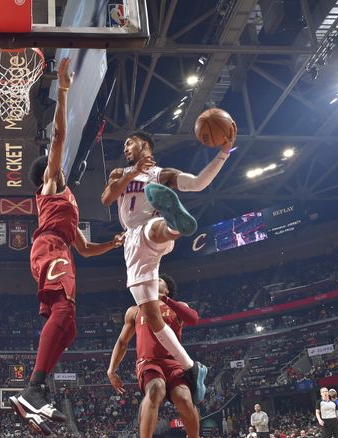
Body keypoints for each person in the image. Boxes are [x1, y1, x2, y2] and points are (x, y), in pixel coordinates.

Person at [8, 57, 124, 436]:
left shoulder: (67, 203)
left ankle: (37, 392)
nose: (58, 165)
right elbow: (58, 138)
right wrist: (62, 89)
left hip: (62, 250)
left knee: (69, 326)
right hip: (50, 249)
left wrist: (114, 243)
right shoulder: (51, 185)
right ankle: (33, 386)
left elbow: (86, 248)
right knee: (62, 310)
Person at [100, 127, 236, 404]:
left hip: (148, 230)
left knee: (153, 228)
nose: (125, 148)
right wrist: (131, 171)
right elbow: (107, 198)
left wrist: (223, 152)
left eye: (130, 142)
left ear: (146, 145)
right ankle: (191, 367)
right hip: (133, 245)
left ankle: (174, 225)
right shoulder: (119, 173)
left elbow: (198, 183)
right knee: (152, 316)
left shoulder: (160, 174)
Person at [107, 274, 217, 438]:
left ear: (167, 290)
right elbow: (122, 342)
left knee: (184, 399)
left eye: (159, 281)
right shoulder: (135, 310)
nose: (153, 281)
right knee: (156, 388)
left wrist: (164, 300)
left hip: (173, 361)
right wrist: (111, 370)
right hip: (148, 361)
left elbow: (193, 318)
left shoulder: (176, 305)